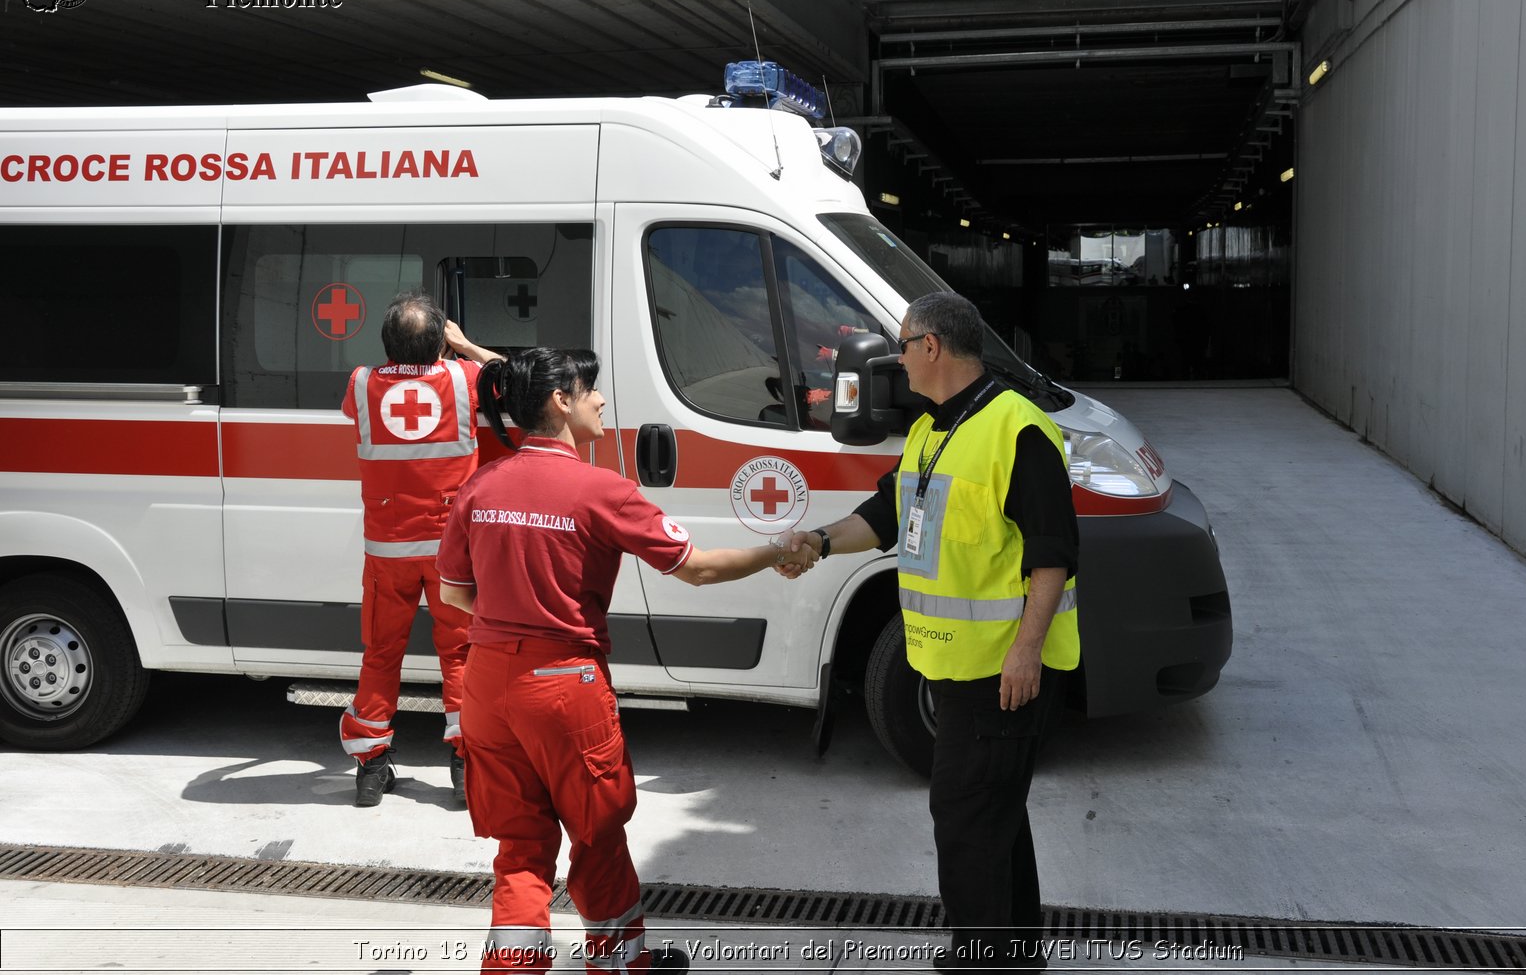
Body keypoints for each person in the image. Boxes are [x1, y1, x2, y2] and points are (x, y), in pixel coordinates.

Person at [436, 347, 813, 975]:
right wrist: (776, 550)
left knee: (521, 847)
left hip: (487, 683)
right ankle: (619, 964)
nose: (602, 400)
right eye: (591, 390)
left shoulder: (481, 485)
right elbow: (695, 568)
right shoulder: (600, 490)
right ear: (560, 401)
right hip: (564, 686)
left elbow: (453, 593)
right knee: (596, 831)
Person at [787, 291, 1079, 973]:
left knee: (965, 823)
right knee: (996, 819)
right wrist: (821, 542)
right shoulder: (932, 430)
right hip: (954, 671)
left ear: (932, 347)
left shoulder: (1018, 430)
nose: (897, 357)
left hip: (1000, 675)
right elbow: (889, 513)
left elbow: (1054, 554)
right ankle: (1015, 956)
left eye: (902, 343)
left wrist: (1026, 652)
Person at [338, 290, 502, 808]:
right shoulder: (463, 379)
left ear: (387, 344)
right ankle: (464, 765)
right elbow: (525, 379)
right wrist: (467, 346)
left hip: (388, 550)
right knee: (460, 654)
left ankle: (370, 768)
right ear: (440, 342)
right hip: (451, 551)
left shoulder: (361, 384)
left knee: (381, 654)